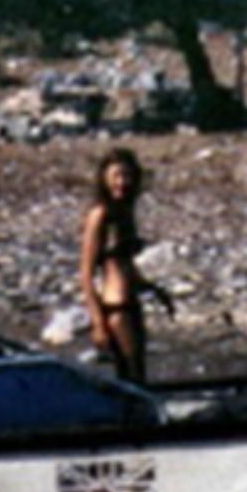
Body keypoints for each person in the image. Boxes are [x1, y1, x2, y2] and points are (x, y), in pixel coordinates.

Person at [79, 146, 169, 385]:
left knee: (137, 370)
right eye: (116, 176)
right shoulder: (100, 215)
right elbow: (86, 275)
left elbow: (124, 263)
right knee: (131, 375)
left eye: (127, 175)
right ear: (105, 178)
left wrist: (152, 288)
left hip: (131, 302)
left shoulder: (125, 212)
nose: (122, 182)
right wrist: (98, 323)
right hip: (115, 306)